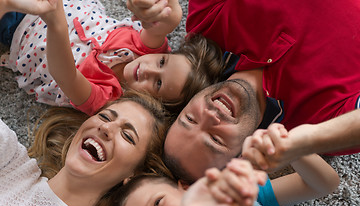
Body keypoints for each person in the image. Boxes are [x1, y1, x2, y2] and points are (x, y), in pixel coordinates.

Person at [127, 0, 360, 179]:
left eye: (190, 118)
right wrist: (306, 141)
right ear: (241, 156)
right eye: (215, 139)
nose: (210, 116)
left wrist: (157, 7)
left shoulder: (207, 24)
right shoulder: (323, 122)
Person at [0, 0, 223, 115]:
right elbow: (163, 24)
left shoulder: (108, 99)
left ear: (152, 104)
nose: (149, 68)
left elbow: (65, 76)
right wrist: (170, 14)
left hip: (22, 28)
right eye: (162, 62)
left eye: (158, 83)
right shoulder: (147, 51)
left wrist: (54, 17)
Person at [0, 90, 170, 206]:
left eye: (127, 135)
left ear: (135, 174)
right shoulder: (11, 161)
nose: (106, 128)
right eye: (105, 117)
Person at [96, 154, 339, 206]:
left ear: (186, 187)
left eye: (158, 203)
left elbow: (321, 186)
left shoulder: (241, 199)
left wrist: (293, 150)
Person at [242, 109, 360, 171]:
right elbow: (327, 184)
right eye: (222, 143)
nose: (222, 119)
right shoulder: (333, 126)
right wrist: (304, 142)